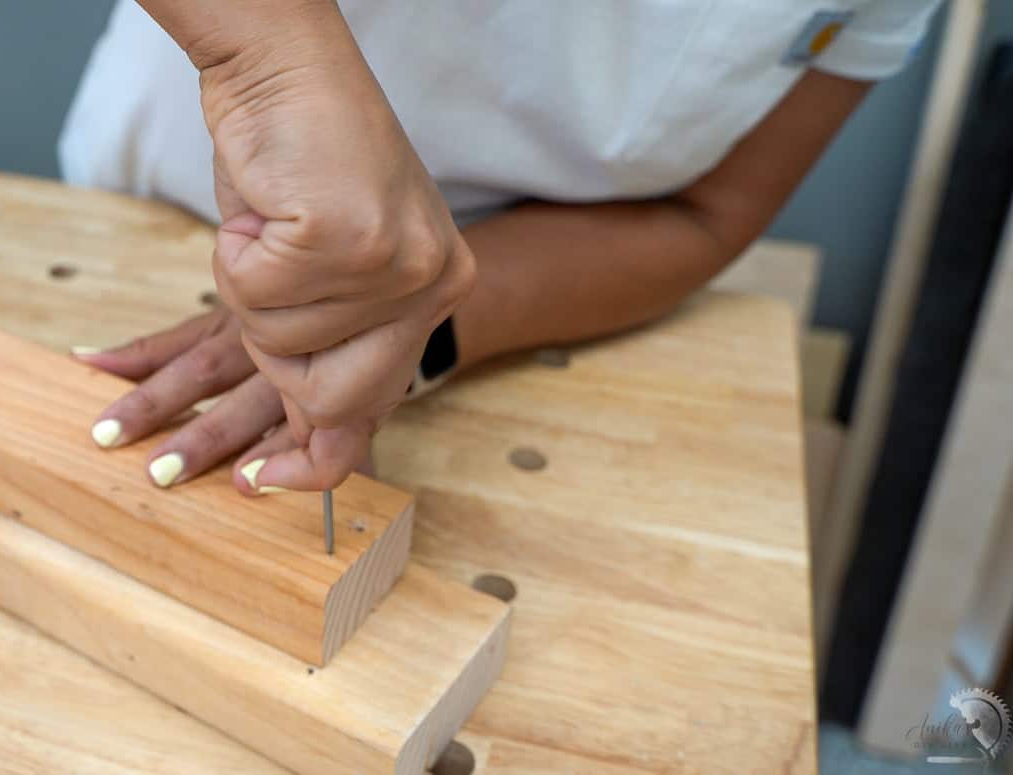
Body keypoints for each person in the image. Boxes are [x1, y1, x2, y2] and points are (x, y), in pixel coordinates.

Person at [59, 0, 942, 496]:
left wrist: (424, 328)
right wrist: (272, 63)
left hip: (538, 301)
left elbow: (709, 216)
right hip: (160, 214)